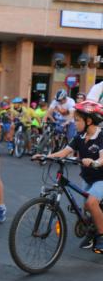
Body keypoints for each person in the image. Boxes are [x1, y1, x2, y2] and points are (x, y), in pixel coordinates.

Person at [34, 100, 103, 252]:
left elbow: (102, 158)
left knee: (91, 203)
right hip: (88, 177)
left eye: (77, 120)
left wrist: (95, 162)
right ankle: (92, 230)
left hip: (101, 178)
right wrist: (46, 156)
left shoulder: (101, 136)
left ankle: (101, 235)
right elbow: (65, 152)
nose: (74, 123)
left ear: (89, 121)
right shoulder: (79, 136)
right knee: (87, 207)